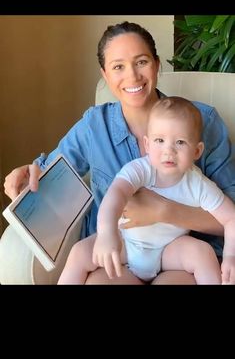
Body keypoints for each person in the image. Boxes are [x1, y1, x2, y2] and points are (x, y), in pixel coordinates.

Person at [4, 21, 235, 285]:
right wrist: (29, 178)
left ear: (157, 64)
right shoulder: (94, 125)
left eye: (142, 62)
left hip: (178, 257)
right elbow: (52, 174)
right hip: (116, 255)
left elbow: (229, 215)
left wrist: (164, 211)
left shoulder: (203, 121)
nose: (133, 77)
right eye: (118, 67)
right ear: (105, 74)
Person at [58, 97, 235, 284]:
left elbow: (231, 218)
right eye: (160, 140)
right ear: (148, 144)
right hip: (127, 242)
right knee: (79, 252)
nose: (169, 151)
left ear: (197, 151)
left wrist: (230, 255)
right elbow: (115, 196)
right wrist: (107, 232)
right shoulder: (140, 169)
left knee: (203, 253)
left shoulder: (198, 184)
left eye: (180, 142)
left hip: (170, 249)